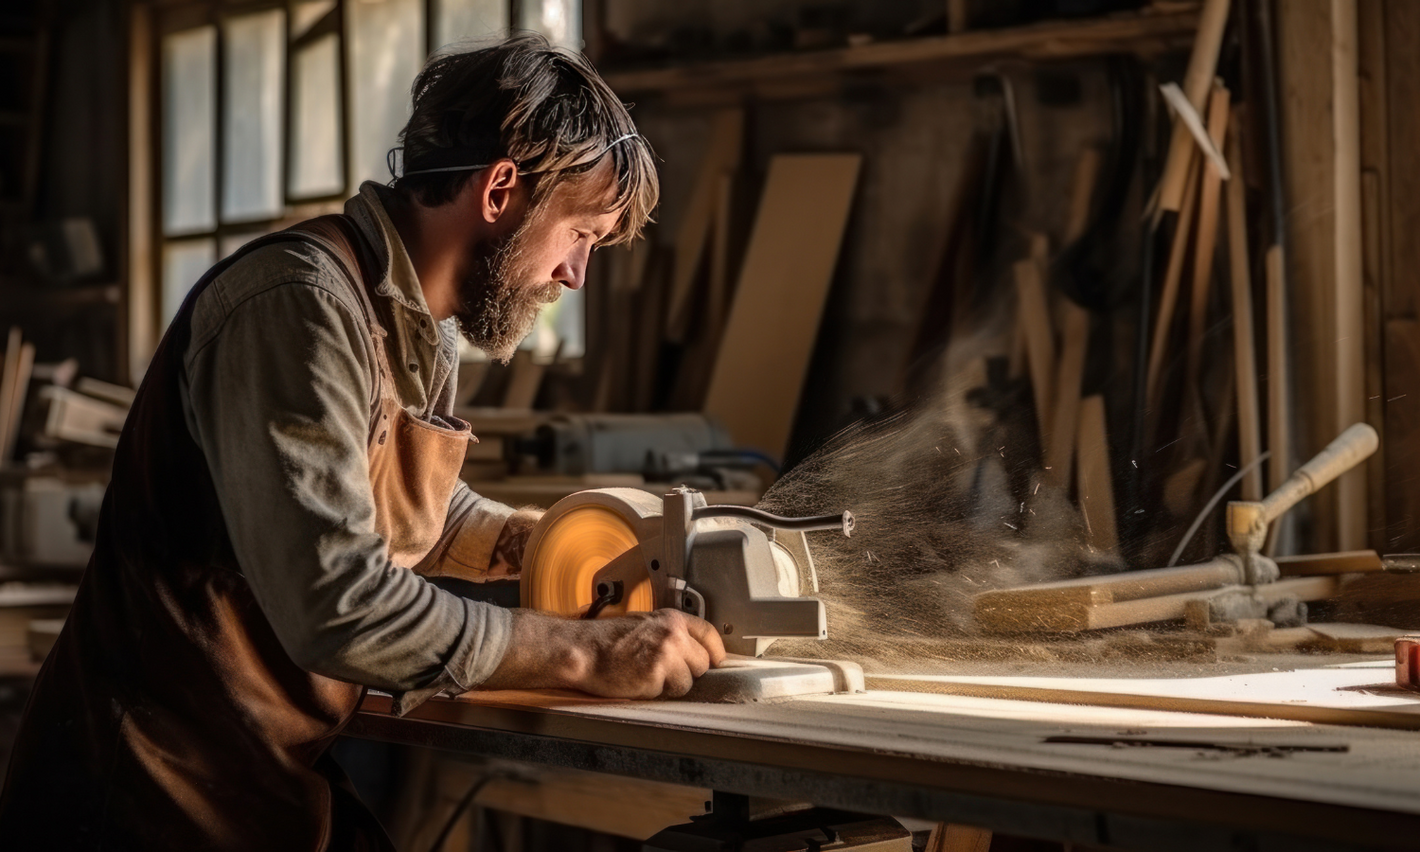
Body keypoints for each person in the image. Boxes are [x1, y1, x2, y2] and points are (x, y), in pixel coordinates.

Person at [0, 34, 725, 851]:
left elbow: (389, 500)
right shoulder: (295, 307)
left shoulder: (413, 323)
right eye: (581, 234)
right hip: (145, 788)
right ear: (499, 192)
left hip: (253, 767)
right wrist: (582, 654)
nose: (574, 275)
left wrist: (528, 542)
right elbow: (338, 603)